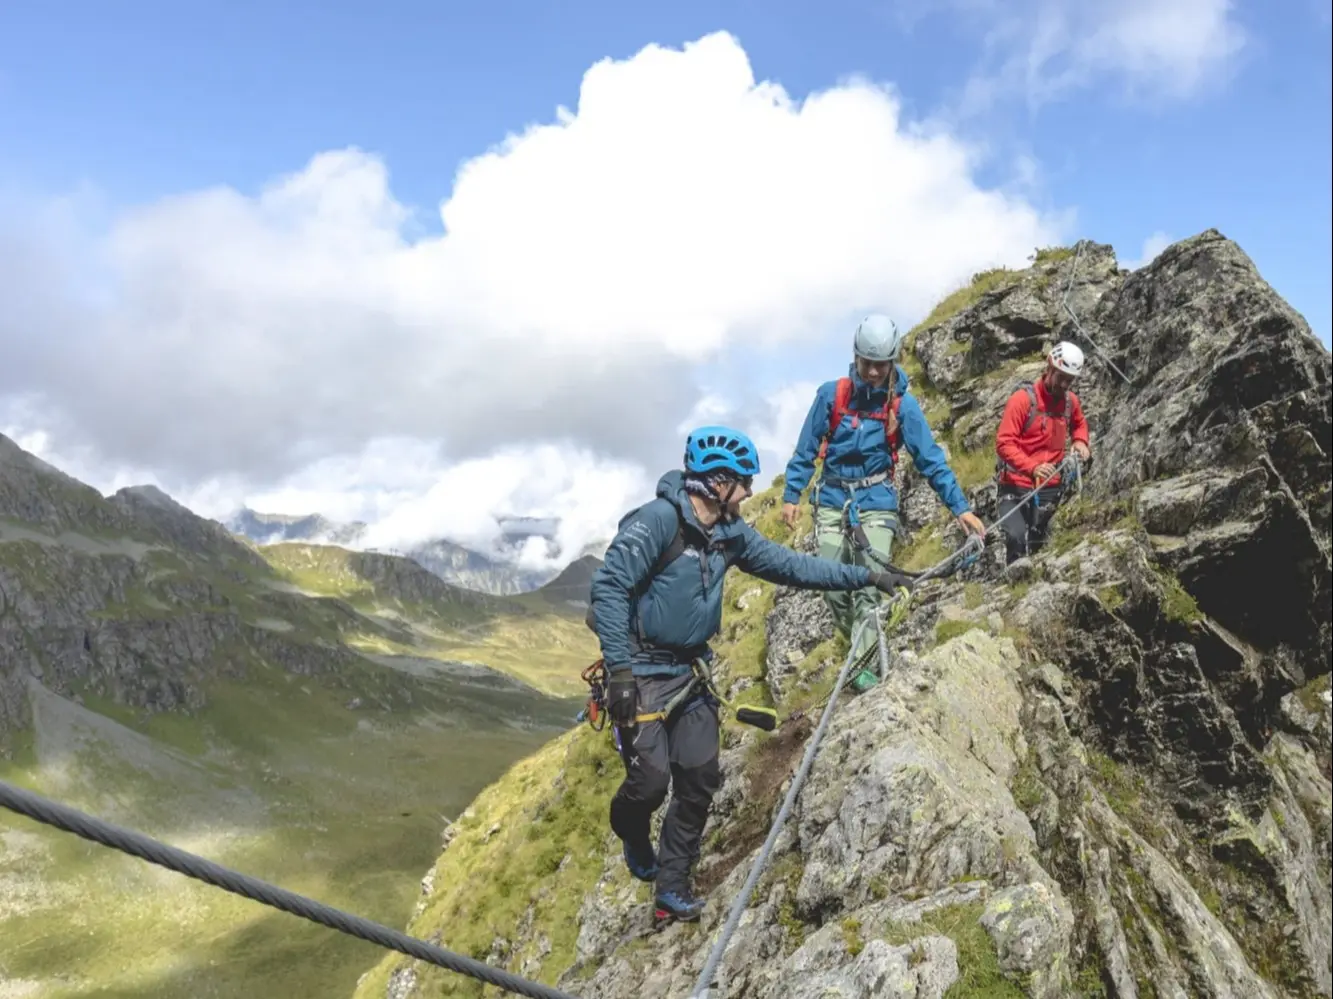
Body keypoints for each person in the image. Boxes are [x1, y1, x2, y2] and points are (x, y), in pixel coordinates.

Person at [587, 425, 913, 923]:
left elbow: (790, 566)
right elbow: (609, 589)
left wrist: (867, 575)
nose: (750, 492)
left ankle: (670, 889)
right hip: (641, 674)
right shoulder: (657, 522)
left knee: (698, 779)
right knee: (650, 784)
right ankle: (631, 829)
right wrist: (620, 675)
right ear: (717, 483)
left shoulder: (729, 533)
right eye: (743, 482)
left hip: (690, 672)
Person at [779, 314, 986, 663]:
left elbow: (930, 460)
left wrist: (960, 507)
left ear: (894, 361)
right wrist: (791, 494)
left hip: (877, 502)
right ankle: (861, 643)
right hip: (831, 499)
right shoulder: (832, 396)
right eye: (868, 363)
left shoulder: (903, 407)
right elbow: (806, 448)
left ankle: (865, 667)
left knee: (868, 589)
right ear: (856, 357)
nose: (874, 372)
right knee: (831, 586)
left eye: (882, 365)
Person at [993, 340, 1092, 564]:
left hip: (1051, 486)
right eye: (1061, 377)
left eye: (1070, 380)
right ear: (1049, 368)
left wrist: (1080, 441)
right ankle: (1016, 584)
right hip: (1015, 484)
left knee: (1042, 542)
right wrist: (1033, 467)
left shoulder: (1070, 403)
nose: (1065, 385)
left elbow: (1079, 423)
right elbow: (1004, 443)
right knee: (1016, 537)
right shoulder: (1022, 400)